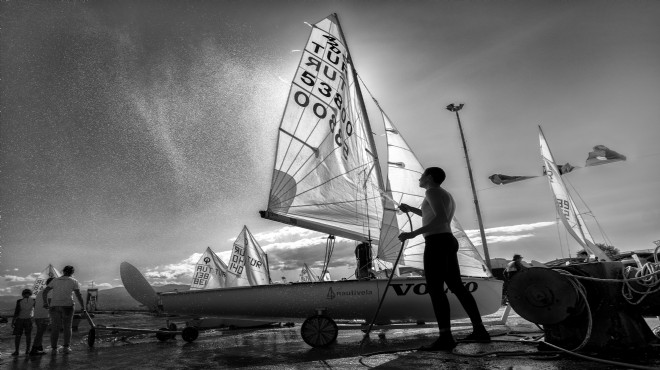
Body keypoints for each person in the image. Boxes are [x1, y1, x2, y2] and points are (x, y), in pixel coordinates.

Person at [398, 167, 490, 351]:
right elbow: (433, 214)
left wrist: (412, 234)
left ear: (429, 177)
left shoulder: (431, 191)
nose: (420, 177)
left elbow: (440, 219)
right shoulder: (443, 193)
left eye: (422, 175)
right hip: (447, 241)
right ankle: (480, 330)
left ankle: (446, 337)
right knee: (457, 287)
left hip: (437, 242)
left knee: (436, 290)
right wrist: (410, 209)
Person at [42, 266, 86, 354]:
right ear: (72, 273)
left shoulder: (55, 280)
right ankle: (66, 347)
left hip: (54, 305)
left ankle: (54, 349)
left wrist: (45, 303)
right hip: (68, 306)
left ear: (63, 271)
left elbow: (45, 292)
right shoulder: (74, 281)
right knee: (67, 327)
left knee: (55, 328)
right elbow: (78, 295)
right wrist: (83, 307)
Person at [30, 277, 54, 356]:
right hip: (44, 315)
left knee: (39, 332)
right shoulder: (50, 291)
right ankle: (34, 349)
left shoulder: (41, 291)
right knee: (40, 333)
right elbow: (50, 304)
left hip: (37, 315)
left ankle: (39, 347)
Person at [12, 288, 35, 356]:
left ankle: (17, 351)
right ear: (30, 294)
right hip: (29, 319)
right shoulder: (33, 301)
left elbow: (16, 312)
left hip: (20, 320)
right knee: (28, 336)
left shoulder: (19, 301)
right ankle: (27, 350)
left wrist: (13, 321)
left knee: (18, 336)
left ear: (23, 294)